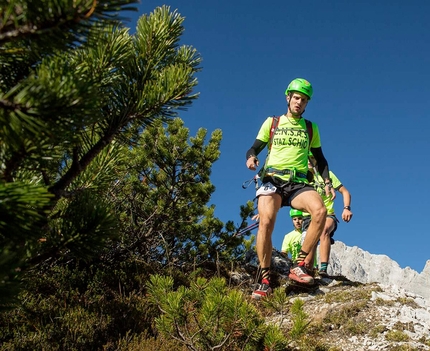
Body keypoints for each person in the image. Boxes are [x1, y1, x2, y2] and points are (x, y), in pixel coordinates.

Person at [245, 78, 335, 299]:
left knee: (320, 211)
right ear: (288, 97)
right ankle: (265, 279)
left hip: (298, 183)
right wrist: (251, 158)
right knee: (265, 222)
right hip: (272, 180)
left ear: (306, 104)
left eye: (304, 100)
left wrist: (327, 182)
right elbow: (254, 148)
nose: (299, 102)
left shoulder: (310, 128)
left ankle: (300, 265)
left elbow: (320, 159)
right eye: (296, 98)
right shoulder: (272, 122)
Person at [301, 153, 353, 276]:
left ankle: (323, 269)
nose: (309, 160)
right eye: (306, 158)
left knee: (323, 230)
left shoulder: (327, 176)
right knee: (309, 253)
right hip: (308, 217)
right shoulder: (301, 176)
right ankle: (308, 270)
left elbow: (345, 192)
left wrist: (346, 208)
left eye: (312, 158)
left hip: (327, 214)